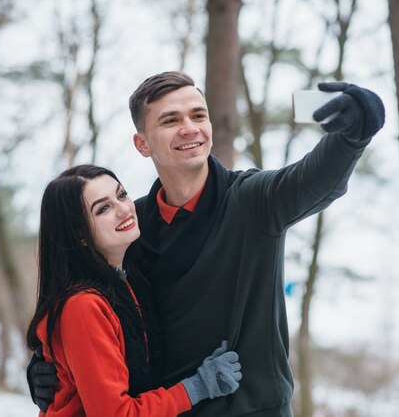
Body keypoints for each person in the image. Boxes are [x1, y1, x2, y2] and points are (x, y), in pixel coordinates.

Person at [29, 72, 385, 416]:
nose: (189, 127)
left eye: (198, 115)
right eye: (170, 120)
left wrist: (353, 135)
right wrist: (50, 365)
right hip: (168, 410)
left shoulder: (253, 201)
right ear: (143, 143)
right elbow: (84, 295)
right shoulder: (132, 224)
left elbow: (315, 181)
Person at [26, 164, 242, 416]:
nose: (124, 209)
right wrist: (197, 386)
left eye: (121, 194)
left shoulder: (129, 280)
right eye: (103, 208)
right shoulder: (83, 306)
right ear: (79, 234)